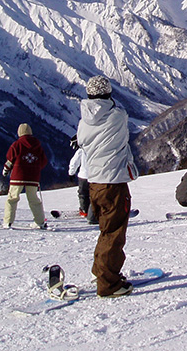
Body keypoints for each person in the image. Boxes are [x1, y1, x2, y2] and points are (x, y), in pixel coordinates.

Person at [77, 75, 139, 298]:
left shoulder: (83, 121)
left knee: (106, 229)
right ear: (108, 93)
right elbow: (124, 131)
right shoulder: (117, 116)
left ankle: (101, 272)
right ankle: (108, 284)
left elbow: (82, 141)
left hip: (94, 183)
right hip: (113, 182)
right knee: (114, 233)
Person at [2, 123, 48, 229]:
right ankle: (40, 222)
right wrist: (36, 168)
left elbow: (10, 159)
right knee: (34, 199)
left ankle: (8, 222)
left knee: (12, 198)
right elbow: (43, 161)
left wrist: (6, 170)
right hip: (33, 177)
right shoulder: (38, 146)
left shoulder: (17, 144)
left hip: (18, 176)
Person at [68, 135, 97, 224]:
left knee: (83, 194)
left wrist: (71, 173)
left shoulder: (81, 150)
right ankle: (94, 210)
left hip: (83, 176)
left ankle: (84, 210)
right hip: (95, 176)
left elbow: (74, 162)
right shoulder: (95, 149)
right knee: (94, 194)